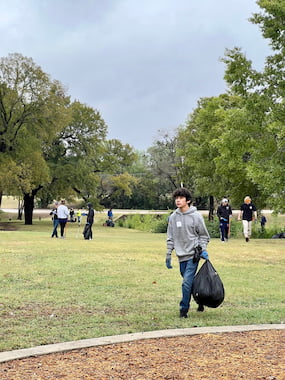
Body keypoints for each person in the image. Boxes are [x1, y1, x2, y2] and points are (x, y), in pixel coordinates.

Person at [165, 187, 210, 318]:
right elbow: (170, 237)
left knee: (186, 282)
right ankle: (200, 301)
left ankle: (183, 309)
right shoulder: (173, 217)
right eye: (176, 198)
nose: (178, 200)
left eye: (181, 198)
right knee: (190, 283)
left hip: (193, 255)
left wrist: (202, 249)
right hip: (181, 256)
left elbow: (204, 236)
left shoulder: (196, 217)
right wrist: (168, 253)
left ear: (188, 200)